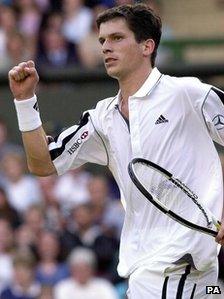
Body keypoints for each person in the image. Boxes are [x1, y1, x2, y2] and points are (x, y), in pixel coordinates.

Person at [8, 3, 224, 298]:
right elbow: (42, 164)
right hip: (143, 269)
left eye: (117, 38)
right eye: (102, 41)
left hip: (180, 265)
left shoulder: (187, 93)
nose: (106, 47)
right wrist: (25, 103)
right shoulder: (101, 119)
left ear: (147, 46)